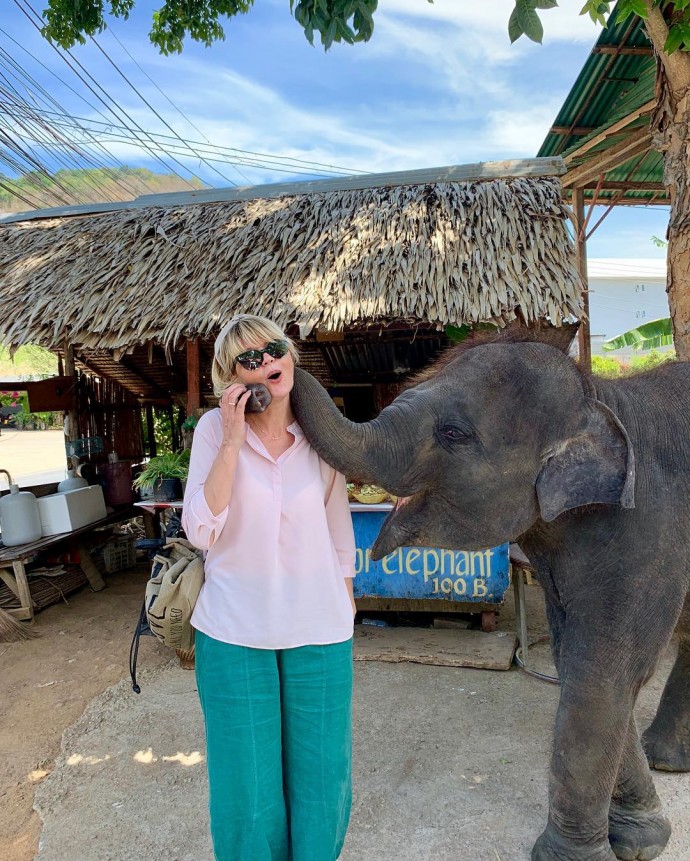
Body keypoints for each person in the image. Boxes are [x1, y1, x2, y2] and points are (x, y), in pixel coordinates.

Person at [182, 313, 357, 861]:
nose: (266, 363)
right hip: (235, 629)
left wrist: (346, 600)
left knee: (323, 779)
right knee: (247, 787)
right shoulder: (214, 431)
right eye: (248, 360)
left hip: (319, 626)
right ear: (230, 377)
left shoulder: (323, 429)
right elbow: (201, 529)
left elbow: (337, 522)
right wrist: (232, 443)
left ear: (291, 355)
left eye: (274, 350)